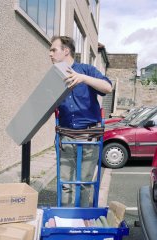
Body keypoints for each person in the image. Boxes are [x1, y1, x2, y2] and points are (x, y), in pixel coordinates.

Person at [49, 36, 112, 207]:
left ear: (66, 51)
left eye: (54, 49)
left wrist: (83, 78)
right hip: (66, 138)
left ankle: (82, 219)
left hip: (89, 137)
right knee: (66, 184)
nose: (50, 54)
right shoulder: (53, 77)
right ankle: (66, 220)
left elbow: (108, 87)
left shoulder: (87, 70)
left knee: (85, 184)